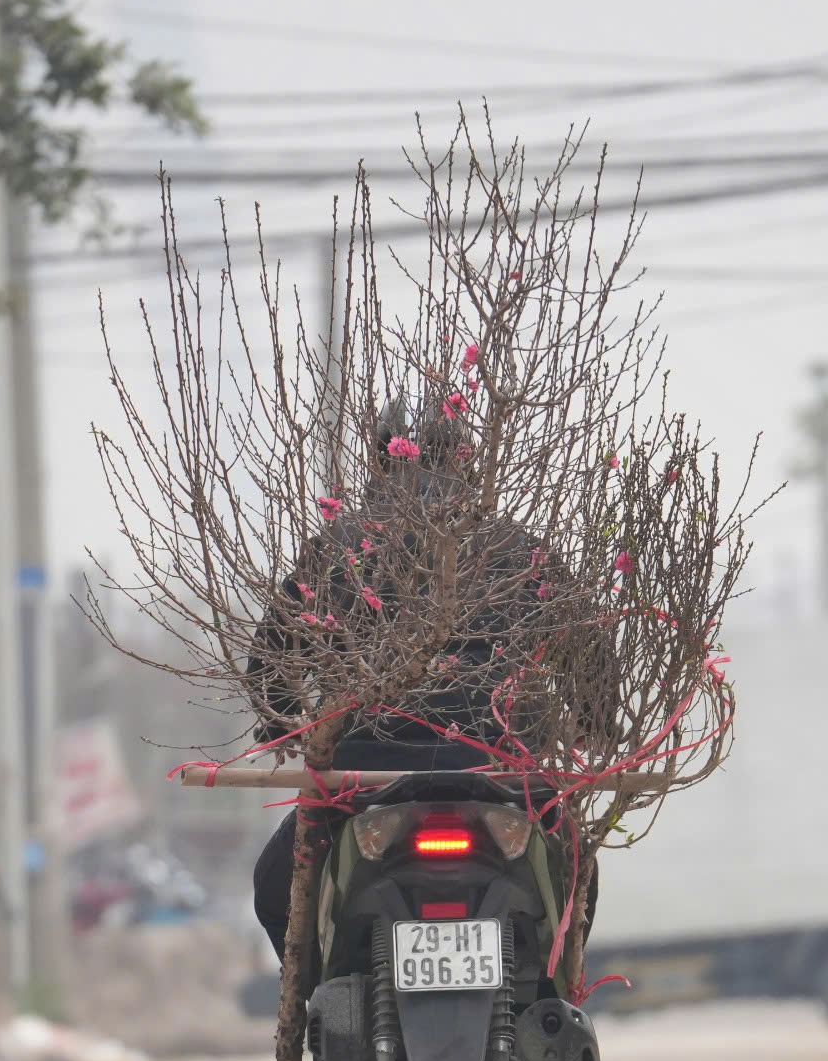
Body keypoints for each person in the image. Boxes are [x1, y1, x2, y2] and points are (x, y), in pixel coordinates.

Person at [247, 399, 593, 961]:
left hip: (363, 777)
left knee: (275, 889)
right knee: (576, 870)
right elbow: (589, 652)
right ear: (468, 464)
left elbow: (272, 662)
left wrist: (282, 726)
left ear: (379, 463)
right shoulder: (521, 549)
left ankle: (322, 1010)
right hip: (504, 771)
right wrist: (591, 725)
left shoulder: (338, 549)